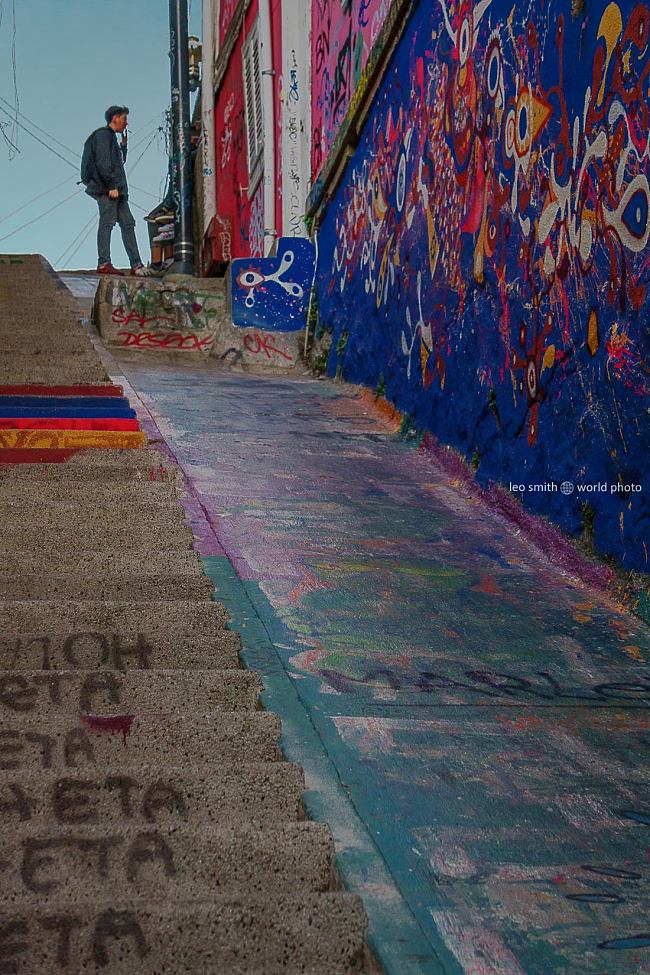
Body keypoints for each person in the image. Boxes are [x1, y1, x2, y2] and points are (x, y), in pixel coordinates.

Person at [81, 105, 154, 276]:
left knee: (128, 223)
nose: (126, 123)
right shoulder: (103, 135)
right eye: (124, 119)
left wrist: (123, 147)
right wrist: (112, 186)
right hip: (108, 189)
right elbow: (103, 162)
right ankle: (104, 263)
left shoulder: (111, 138)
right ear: (115, 118)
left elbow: (118, 162)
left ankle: (136, 265)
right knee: (107, 223)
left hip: (117, 190)